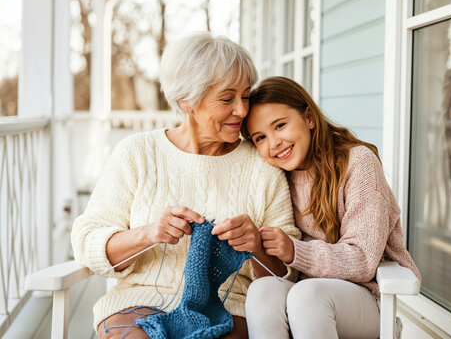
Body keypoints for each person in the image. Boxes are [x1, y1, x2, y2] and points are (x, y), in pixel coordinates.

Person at [71, 34, 300, 339]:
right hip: (136, 305)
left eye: (245, 96)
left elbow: (287, 273)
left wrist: (256, 245)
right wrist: (150, 233)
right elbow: (87, 241)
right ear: (186, 101)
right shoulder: (137, 153)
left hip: (230, 308)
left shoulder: (261, 165)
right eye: (227, 98)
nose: (242, 110)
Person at [241, 76, 421, 339]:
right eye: (260, 138)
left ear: (309, 118)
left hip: (366, 300)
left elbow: (363, 260)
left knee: (307, 296)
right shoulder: (278, 177)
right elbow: (285, 274)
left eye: (280, 125)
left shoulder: (358, 163)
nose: (274, 143)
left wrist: (294, 250)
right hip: (306, 299)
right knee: (262, 292)